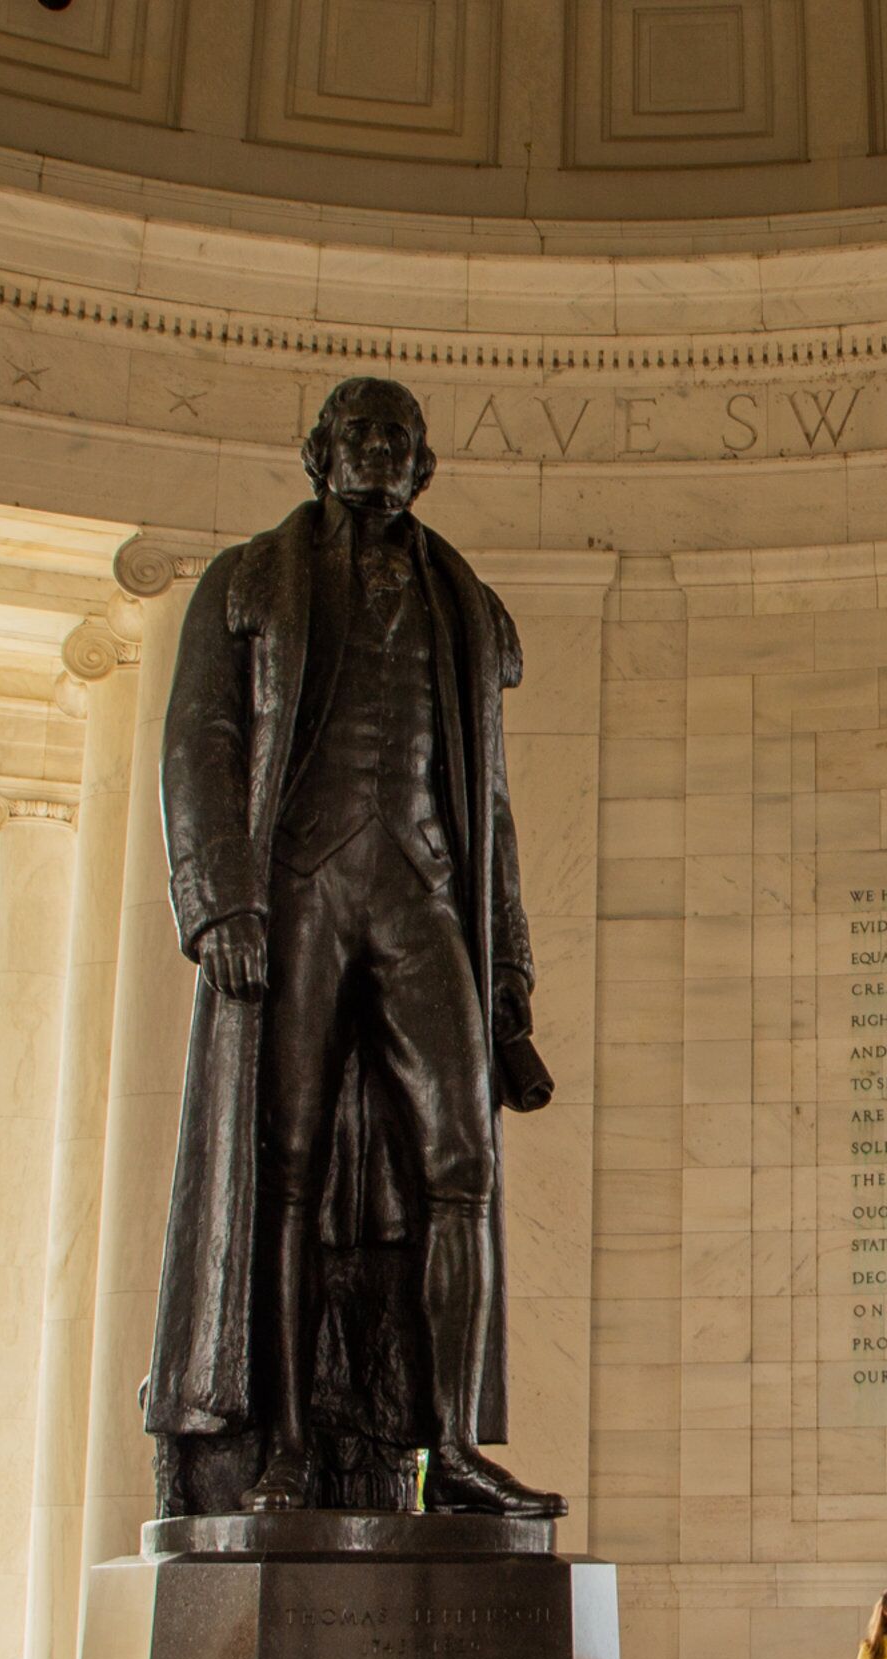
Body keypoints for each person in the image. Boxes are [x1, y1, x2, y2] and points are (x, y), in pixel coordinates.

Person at [149, 376, 562, 1520]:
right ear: (319, 453)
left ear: (422, 464)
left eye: (398, 438)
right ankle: (282, 1446)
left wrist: (511, 989)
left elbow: (493, 807)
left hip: (425, 889)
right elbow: (200, 744)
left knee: (462, 1168)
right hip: (298, 888)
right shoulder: (247, 583)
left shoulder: (463, 602)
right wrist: (219, 900)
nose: (377, 451)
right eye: (356, 434)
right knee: (283, 1170)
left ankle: (454, 1451)